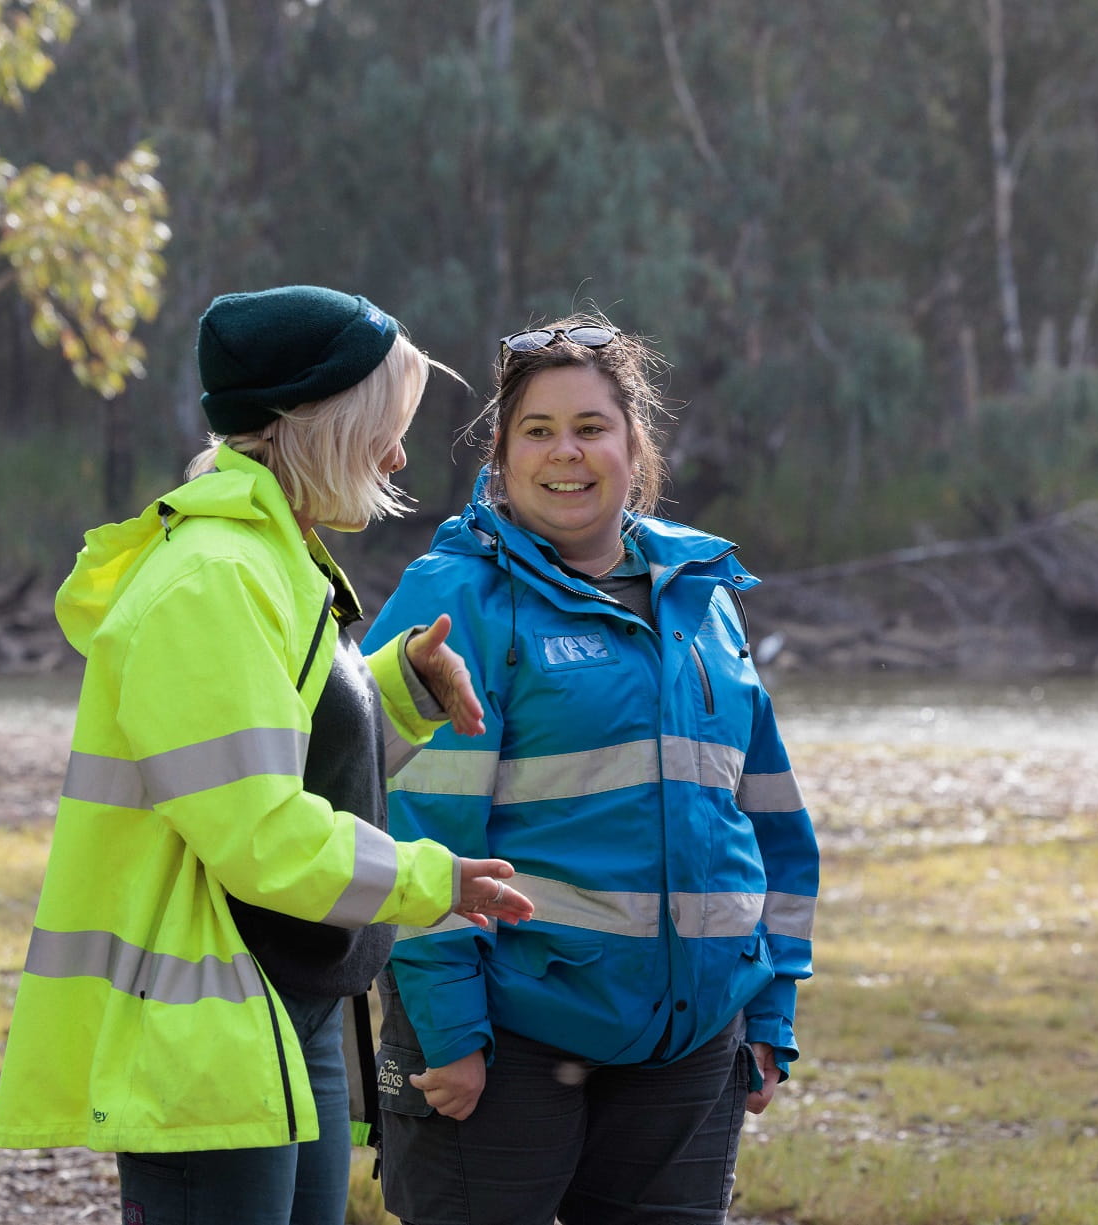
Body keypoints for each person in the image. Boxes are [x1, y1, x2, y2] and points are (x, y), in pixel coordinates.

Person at [0, 285, 534, 1225]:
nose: (400, 455)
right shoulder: (215, 577)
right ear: (314, 426)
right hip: (210, 1033)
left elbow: (286, 756)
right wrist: (432, 879)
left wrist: (394, 692)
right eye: (385, 426)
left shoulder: (279, 558)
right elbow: (257, 831)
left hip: (286, 1011)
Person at [362, 315, 818, 1225]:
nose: (565, 453)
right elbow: (414, 829)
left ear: (634, 441)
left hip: (691, 1041)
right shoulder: (456, 598)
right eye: (537, 430)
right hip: (505, 1035)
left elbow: (765, 819)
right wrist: (449, 1029)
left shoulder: (703, 597)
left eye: (590, 427)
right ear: (500, 453)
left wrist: (769, 1001)